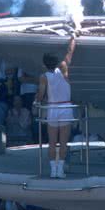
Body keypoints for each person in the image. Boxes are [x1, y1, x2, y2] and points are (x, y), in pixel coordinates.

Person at [35, 34, 77, 178]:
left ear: (44, 64)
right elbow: (70, 52)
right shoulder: (64, 68)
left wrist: (36, 102)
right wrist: (73, 38)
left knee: (52, 142)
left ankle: (53, 171)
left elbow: (40, 95)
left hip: (52, 108)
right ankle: (60, 170)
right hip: (65, 108)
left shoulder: (44, 76)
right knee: (63, 142)